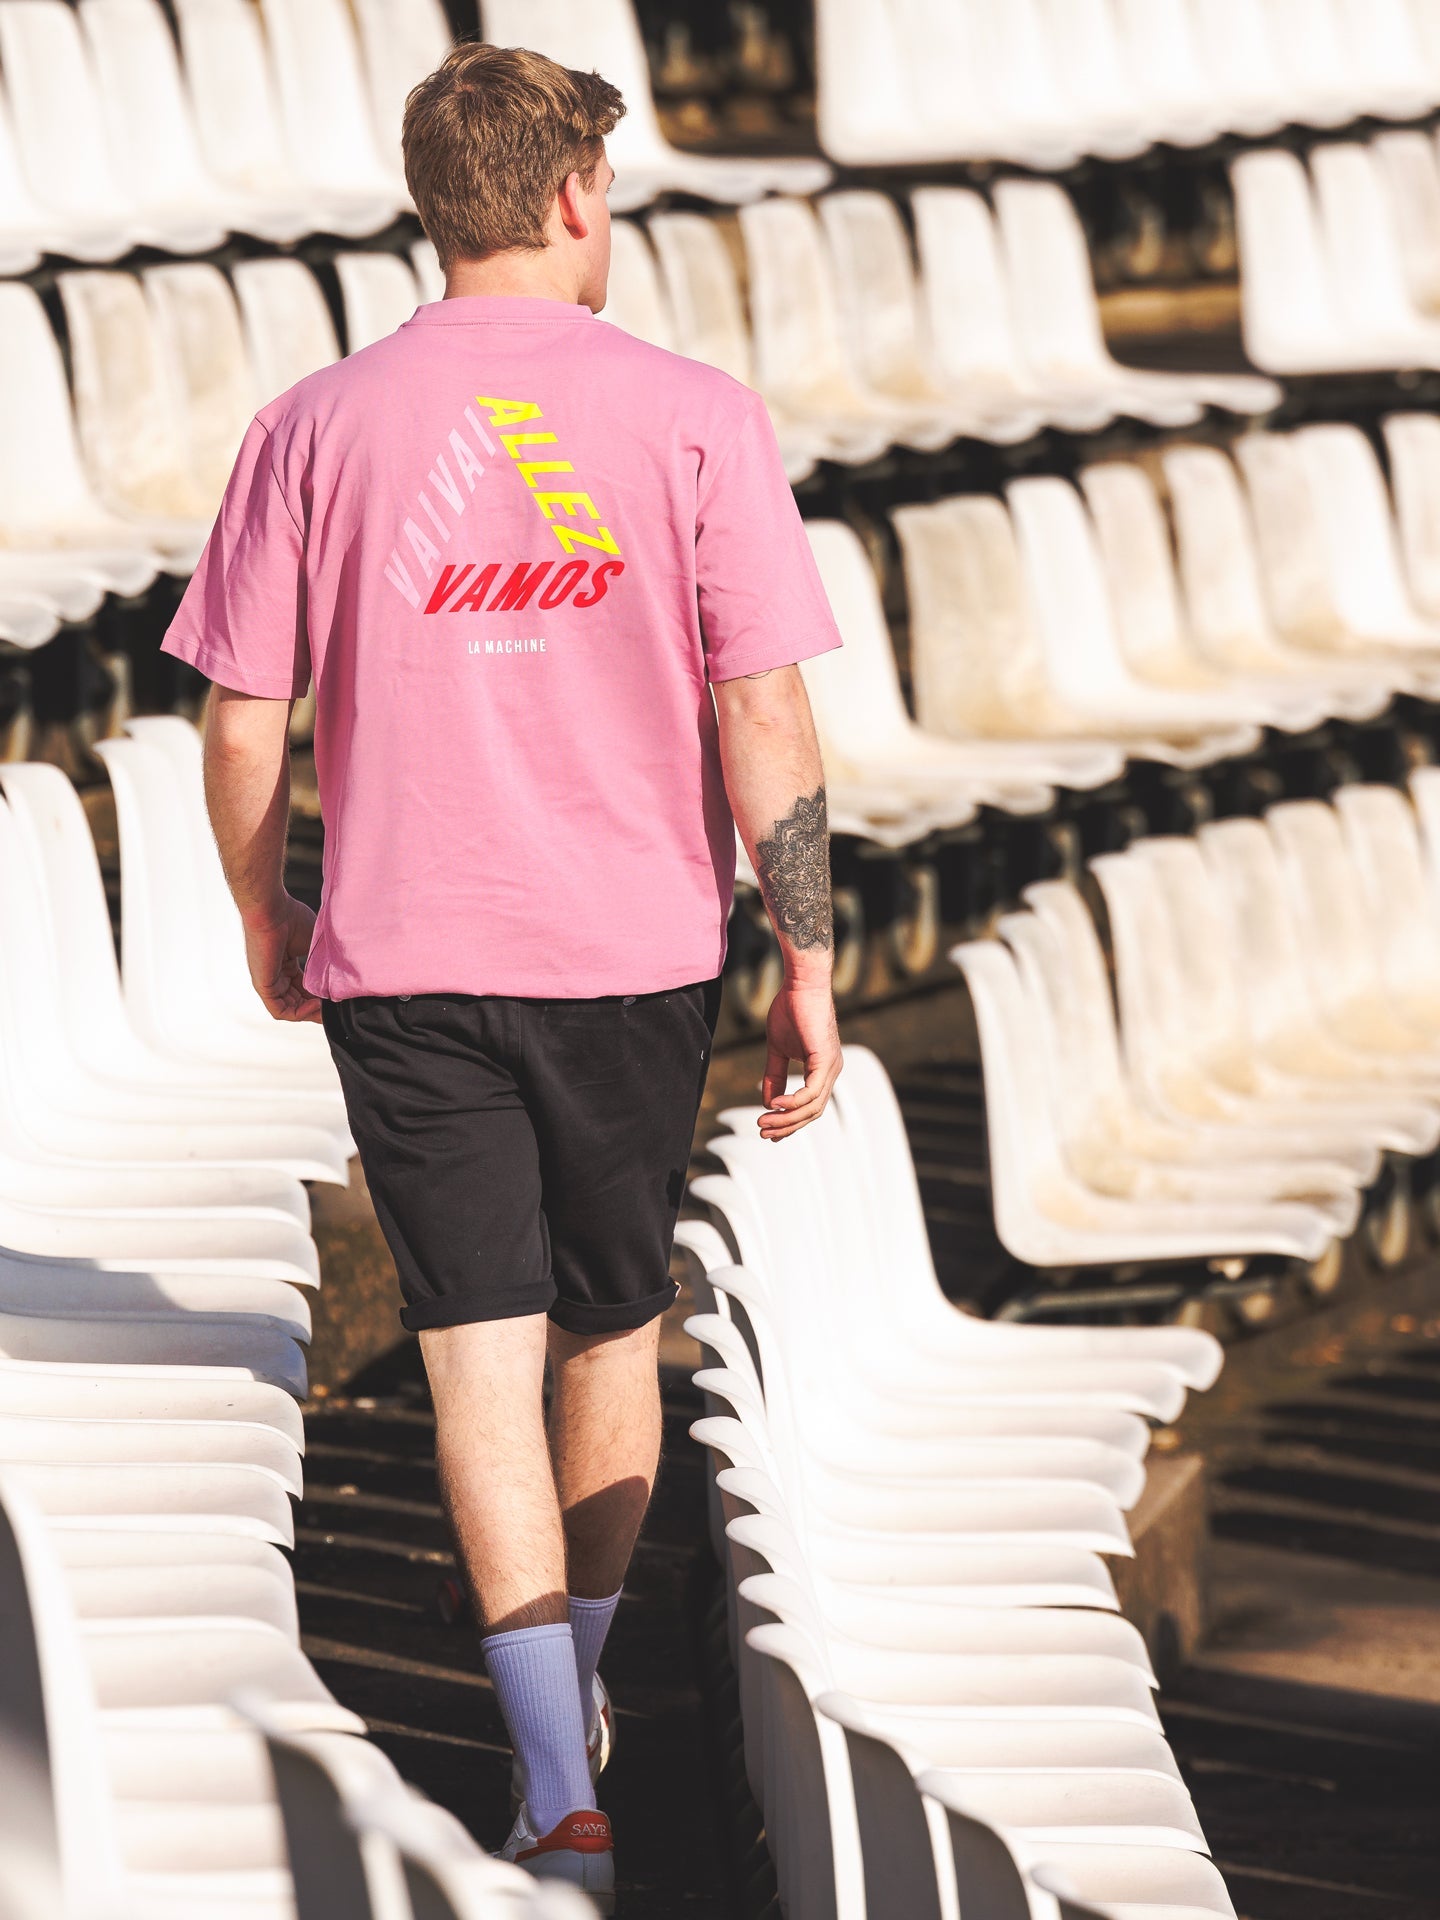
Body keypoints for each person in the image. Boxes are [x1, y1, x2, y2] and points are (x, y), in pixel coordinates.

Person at [162, 39, 843, 1909]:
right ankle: (583, 1694)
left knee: (473, 1353)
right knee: (609, 1330)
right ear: (570, 196)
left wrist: (259, 912)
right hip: (629, 960)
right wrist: (809, 951)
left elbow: (239, 727)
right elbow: (764, 711)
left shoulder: (315, 424)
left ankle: (559, 1788)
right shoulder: (698, 415)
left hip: (405, 958)